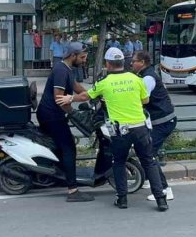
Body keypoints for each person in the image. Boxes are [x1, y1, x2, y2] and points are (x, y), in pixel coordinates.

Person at [59, 47, 169, 212]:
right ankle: (161, 200)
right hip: (140, 128)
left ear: (108, 64)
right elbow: (145, 100)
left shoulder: (104, 83)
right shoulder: (136, 78)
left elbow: (86, 96)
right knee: (149, 162)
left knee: (118, 162)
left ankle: (122, 199)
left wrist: (70, 97)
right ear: (123, 63)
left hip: (120, 131)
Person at [36, 42, 94, 202]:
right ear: (72, 55)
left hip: (53, 115)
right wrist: (75, 114)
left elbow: (76, 87)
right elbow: (59, 98)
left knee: (61, 147)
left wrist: (93, 94)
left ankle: (60, 176)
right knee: (69, 148)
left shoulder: (67, 69)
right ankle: (72, 190)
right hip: (52, 116)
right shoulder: (61, 71)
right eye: (82, 57)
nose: (84, 61)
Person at [131, 50, 176, 202]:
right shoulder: (145, 75)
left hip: (163, 122)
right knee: (145, 149)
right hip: (161, 121)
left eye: (134, 61)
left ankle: (164, 189)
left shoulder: (148, 78)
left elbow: (142, 99)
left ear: (142, 63)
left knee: (149, 153)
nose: (131, 63)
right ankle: (148, 178)